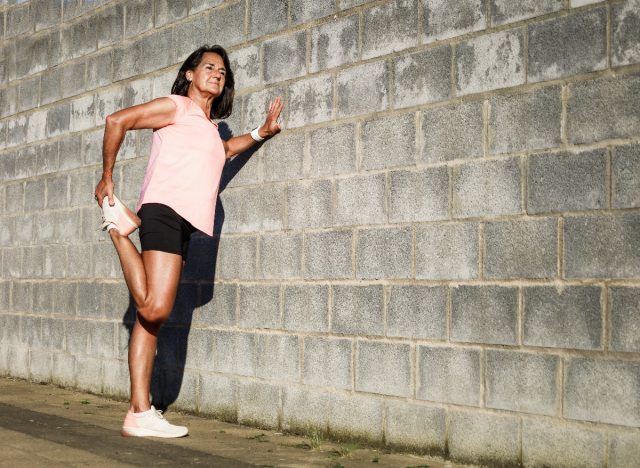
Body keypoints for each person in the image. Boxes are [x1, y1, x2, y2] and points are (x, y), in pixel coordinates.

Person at [93, 45, 283, 438]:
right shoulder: (176, 106)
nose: (218, 73)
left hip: (183, 223)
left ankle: (138, 412)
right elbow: (117, 121)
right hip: (164, 211)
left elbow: (225, 150)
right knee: (155, 307)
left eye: (223, 71)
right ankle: (118, 228)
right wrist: (106, 177)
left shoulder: (210, 128)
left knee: (148, 321)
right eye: (209, 67)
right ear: (190, 75)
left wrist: (261, 133)